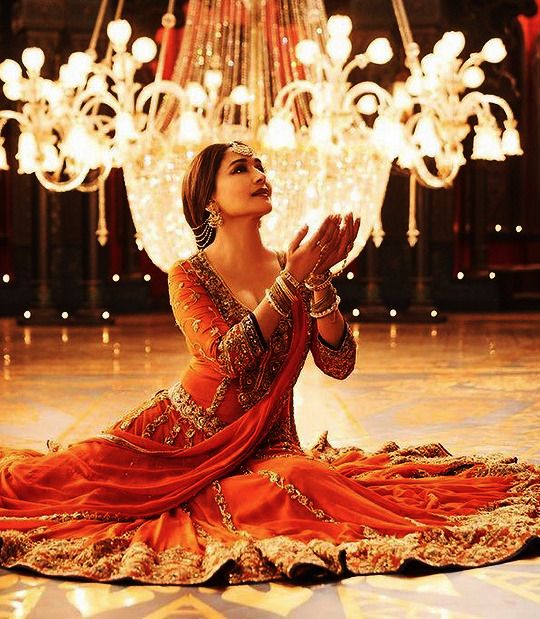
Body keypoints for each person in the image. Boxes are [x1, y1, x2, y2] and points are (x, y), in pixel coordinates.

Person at [0, 141, 538, 585]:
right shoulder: (186, 275)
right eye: (241, 168)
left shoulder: (293, 264)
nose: (259, 174)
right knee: (59, 483)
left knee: (298, 478)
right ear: (208, 201)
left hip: (272, 443)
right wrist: (290, 283)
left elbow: (339, 361)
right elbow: (230, 356)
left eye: (260, 165)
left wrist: (320, 281)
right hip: (179, 438)